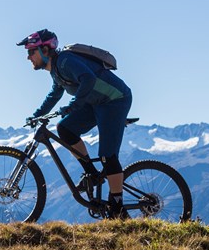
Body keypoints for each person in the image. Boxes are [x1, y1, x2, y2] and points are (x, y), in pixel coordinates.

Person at [18, 29, 133, 218]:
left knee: (107, 156)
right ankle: (92, 174)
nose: (28, 57)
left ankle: (118, 207)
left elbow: (88, 78)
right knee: (65, 129)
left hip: (115, 100)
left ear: (45, 50)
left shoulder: (65, 61)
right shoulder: (56, 70)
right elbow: (54, 95)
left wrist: (74, 105)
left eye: (31, 52)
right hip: (95, 103)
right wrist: (36, 115)